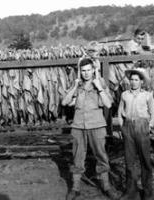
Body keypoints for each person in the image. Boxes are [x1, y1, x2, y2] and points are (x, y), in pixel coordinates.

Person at [62, 57, 120, 200]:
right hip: (78, 126)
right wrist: (75, 87)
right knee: (77, 156)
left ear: (93, 70)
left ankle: (106, 186)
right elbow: (65, 102)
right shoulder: (78, 86)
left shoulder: (100, 84)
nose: (86, 73)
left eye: (89, 70)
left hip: (97, 125)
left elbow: (108, 104)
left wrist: (99, 87)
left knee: (101, 155)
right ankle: (75, 188)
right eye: (83, 71)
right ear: (80, 72)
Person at [117, 68, 154, 200]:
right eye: (131, 80)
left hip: (142, 127)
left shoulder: (147, 95)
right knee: (129, 162)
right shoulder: (124, 95)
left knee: (145, 161)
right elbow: (120, 113)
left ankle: (147, 191)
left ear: (141, 82)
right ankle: (131, 191)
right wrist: (122, 127)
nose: (133, 82)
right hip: (128, 127)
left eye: (136, 80)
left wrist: (148, 127)